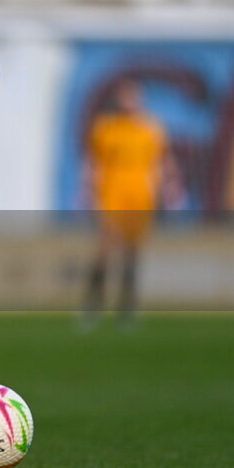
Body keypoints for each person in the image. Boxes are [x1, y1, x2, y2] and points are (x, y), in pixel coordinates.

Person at [82, 80, 181, 328]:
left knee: (132, 254)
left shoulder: (150, 129)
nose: (129, 102)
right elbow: (93, 164)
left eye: (133, 96)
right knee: (104, 252)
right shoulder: (105, 129)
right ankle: (93, 305)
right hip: (112, 198)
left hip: (140, 200)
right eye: (125, 97)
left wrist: (171, 188)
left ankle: (127, 308)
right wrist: (88, 191)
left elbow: (164, 161)